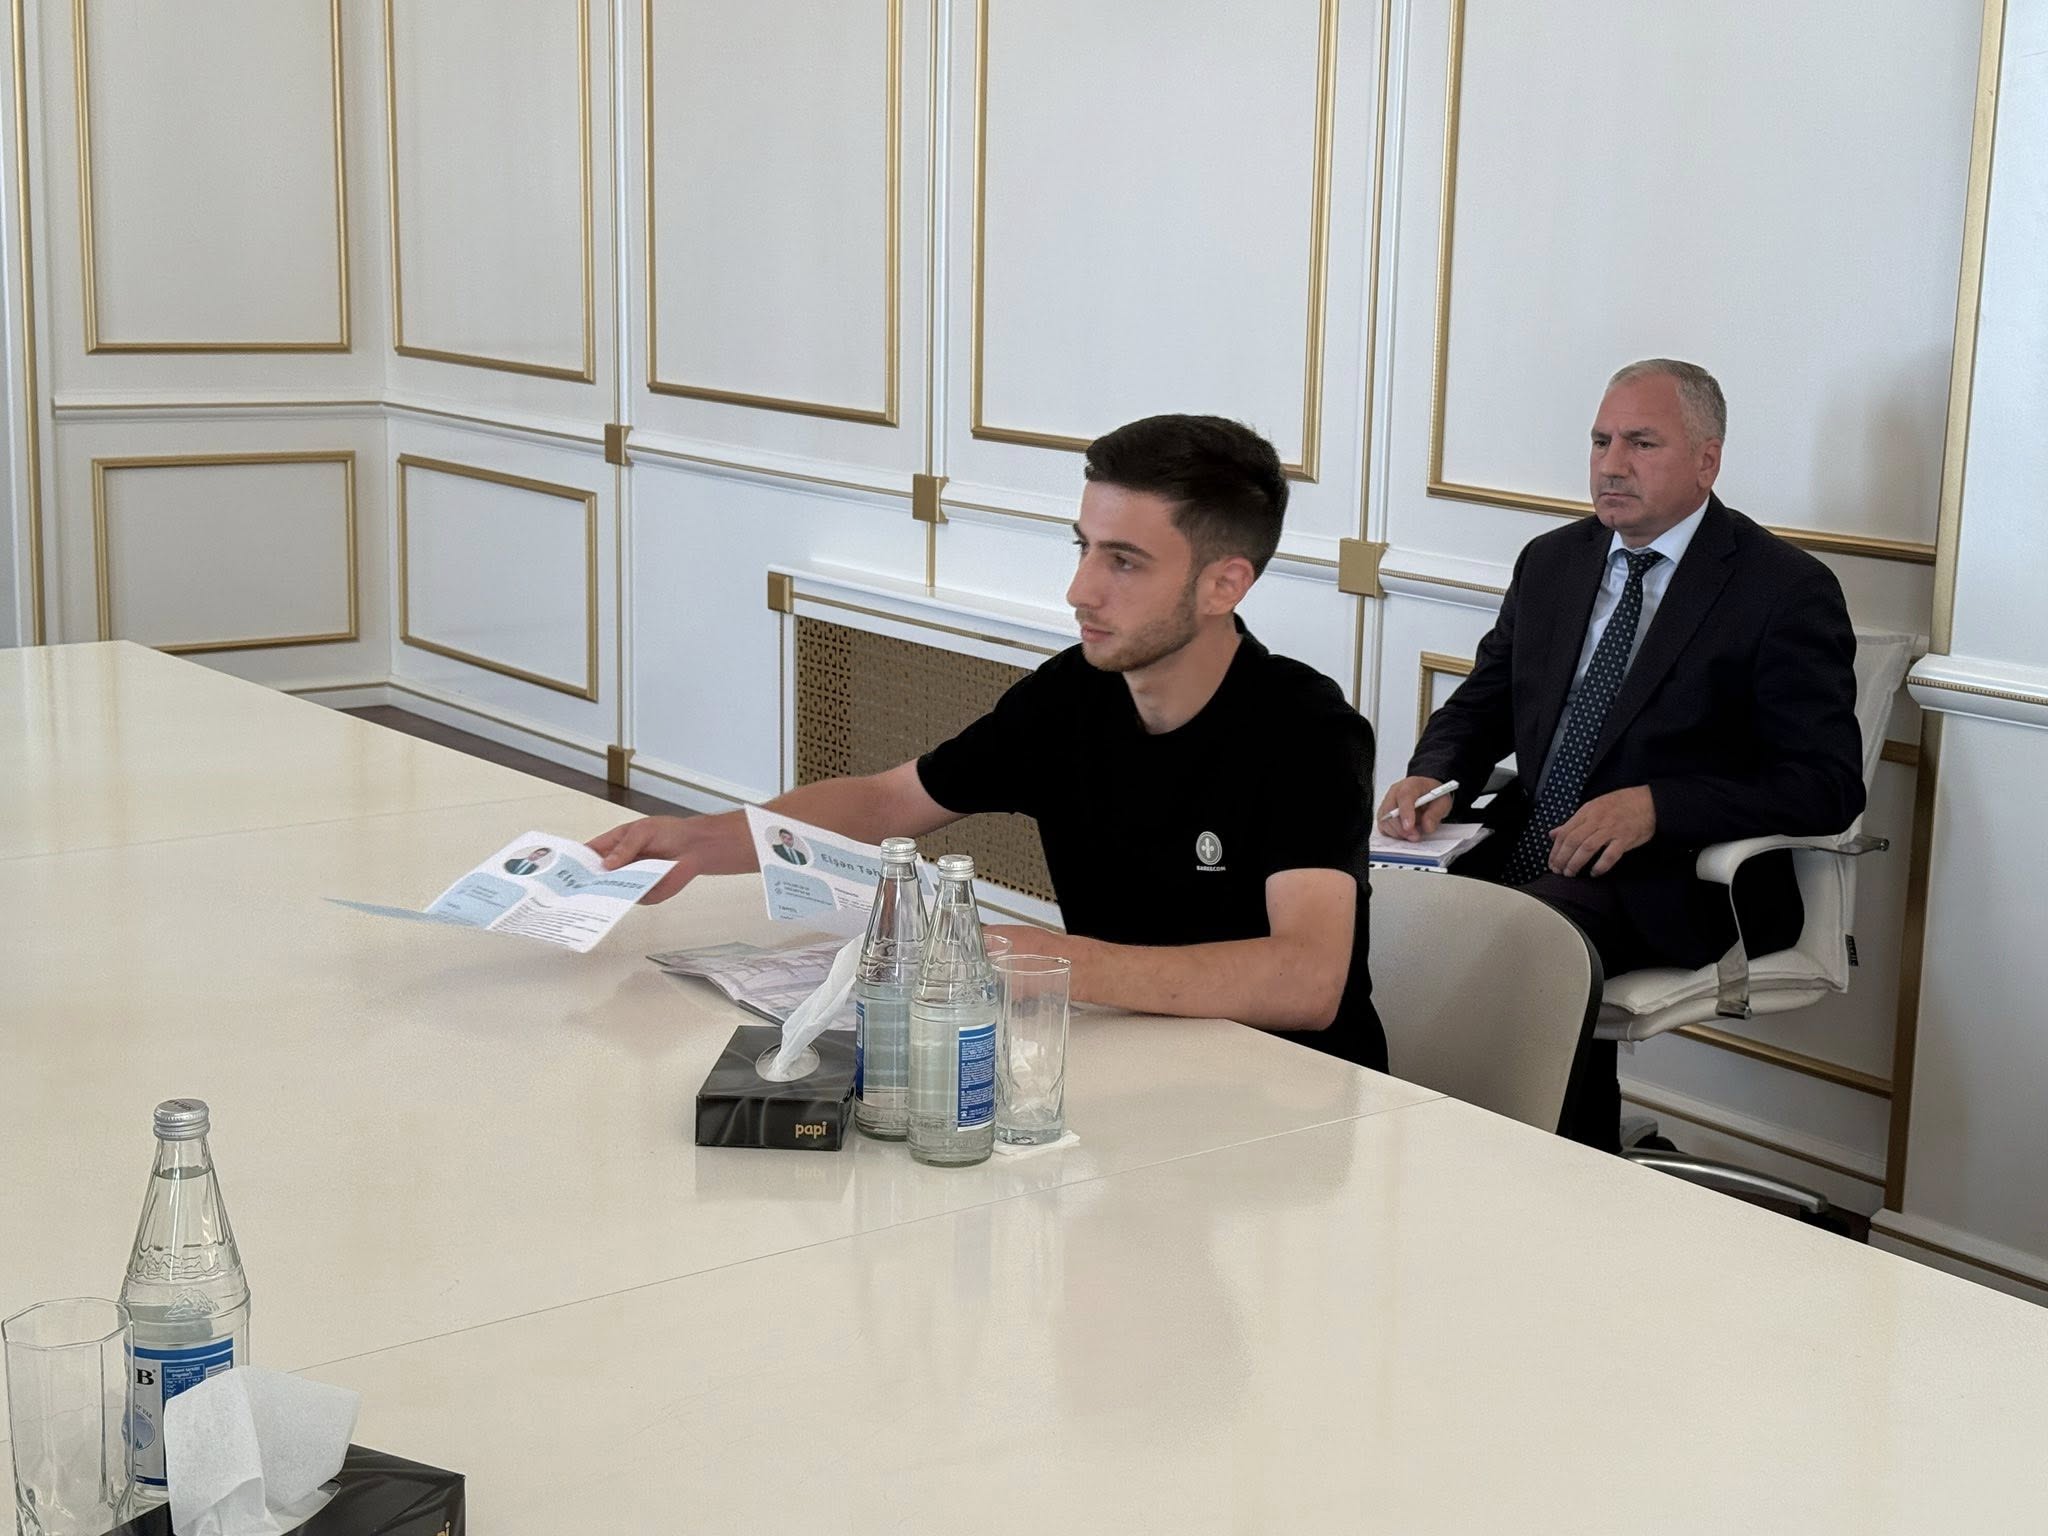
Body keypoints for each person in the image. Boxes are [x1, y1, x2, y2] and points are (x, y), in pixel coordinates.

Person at [592, 414, 1385, 1072]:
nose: (1079, 590)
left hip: (1294, 1098)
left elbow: (1306, 981)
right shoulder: (1072, 695)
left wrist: (1054, 960)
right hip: (1129, 1057)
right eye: (1082, 547)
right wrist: (697, 842)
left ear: (1224, 584)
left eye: (1124, 562)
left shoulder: (1307, 731)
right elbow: (888, 803)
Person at [1376, 359, 1863, 1150]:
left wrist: (1657, 807)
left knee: (1523, 944)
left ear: (1707, 460)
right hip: (1534, 836)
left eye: (1641, 443)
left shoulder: (1782, 589)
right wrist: (1434, 772)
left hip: (1678, 875)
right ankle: (1413, 1150)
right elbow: (1486, 700)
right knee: (1378, 911)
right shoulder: (1553, 561)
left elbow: (1825, 784)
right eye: (1601, 441)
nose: (1611, 465)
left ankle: (1549, 1171)